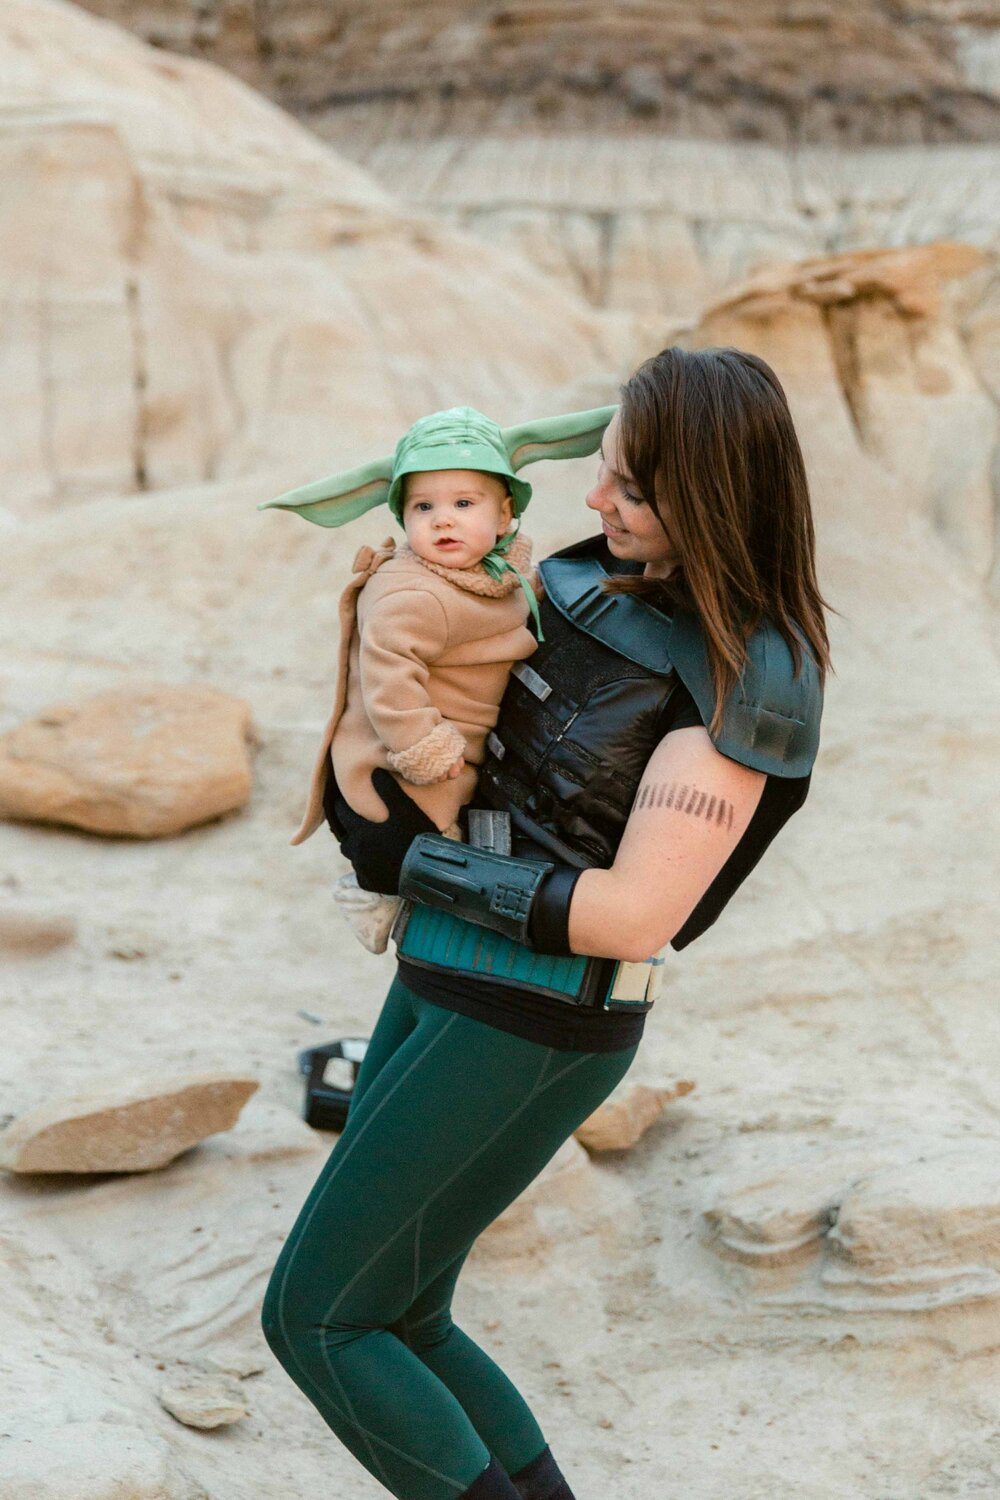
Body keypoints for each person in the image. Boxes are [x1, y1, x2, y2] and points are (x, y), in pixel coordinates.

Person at [260, 347, 830, 1500]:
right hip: (438, 977)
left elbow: (636, 910)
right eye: (605, 471)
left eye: (629, 485)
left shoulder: (748, 673)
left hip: (532, 1020)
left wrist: (412, 856)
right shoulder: (587, 573)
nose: (594, 498)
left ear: (708, 496)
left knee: (318, 1320)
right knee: (405, 1315)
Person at [266, 404, 616, 952]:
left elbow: (515, 604)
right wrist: (423, 744)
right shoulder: (413, 593)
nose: (442, 519)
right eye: (422, 506)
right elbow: (389, 674)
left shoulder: (494, 572)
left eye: (463, 503)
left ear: (503, 518)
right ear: (402, 517)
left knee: (449, 833)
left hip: (465, 739)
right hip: (403, 756)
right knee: (421, 842)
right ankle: (371, 897)